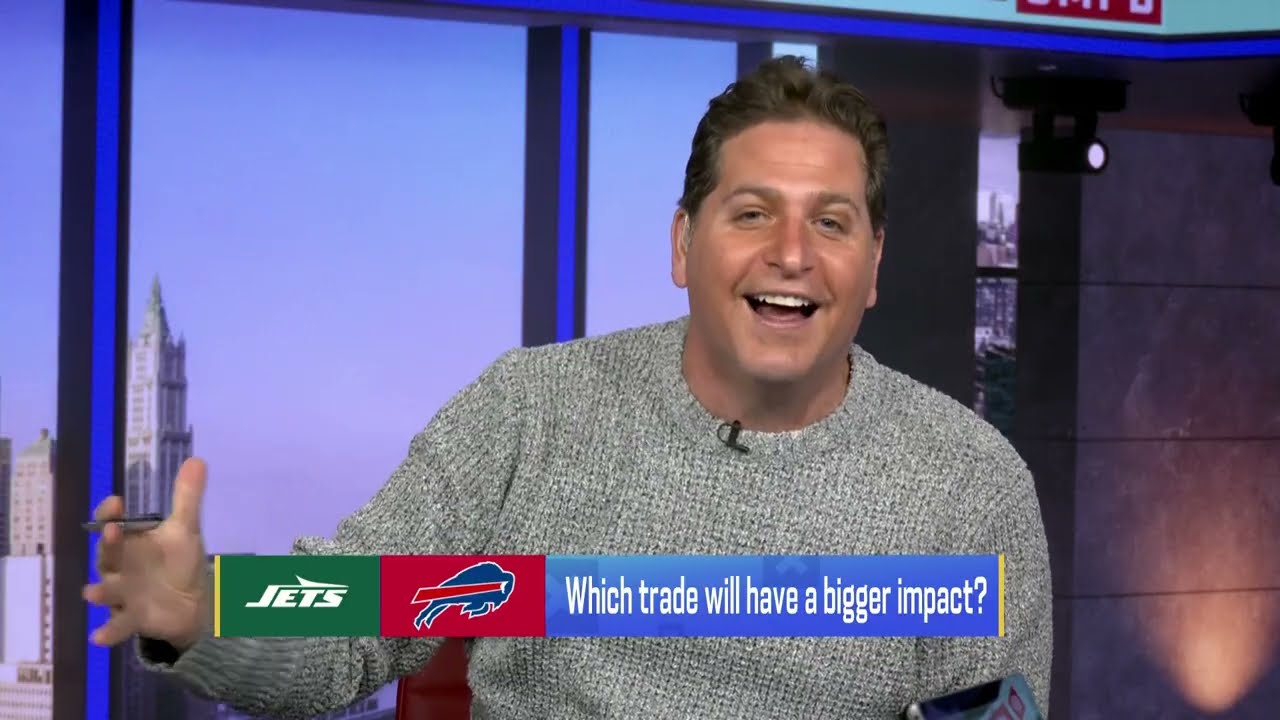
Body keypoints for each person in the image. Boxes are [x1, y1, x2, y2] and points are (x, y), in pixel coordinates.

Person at [84, 55, 1052, 719]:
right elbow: (354, 619)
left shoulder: (966, 483)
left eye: (830, 223)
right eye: (752, 213)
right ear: (683, 244)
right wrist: (210, 612)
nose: (791, 254)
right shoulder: (531, 412)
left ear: (873, 265)